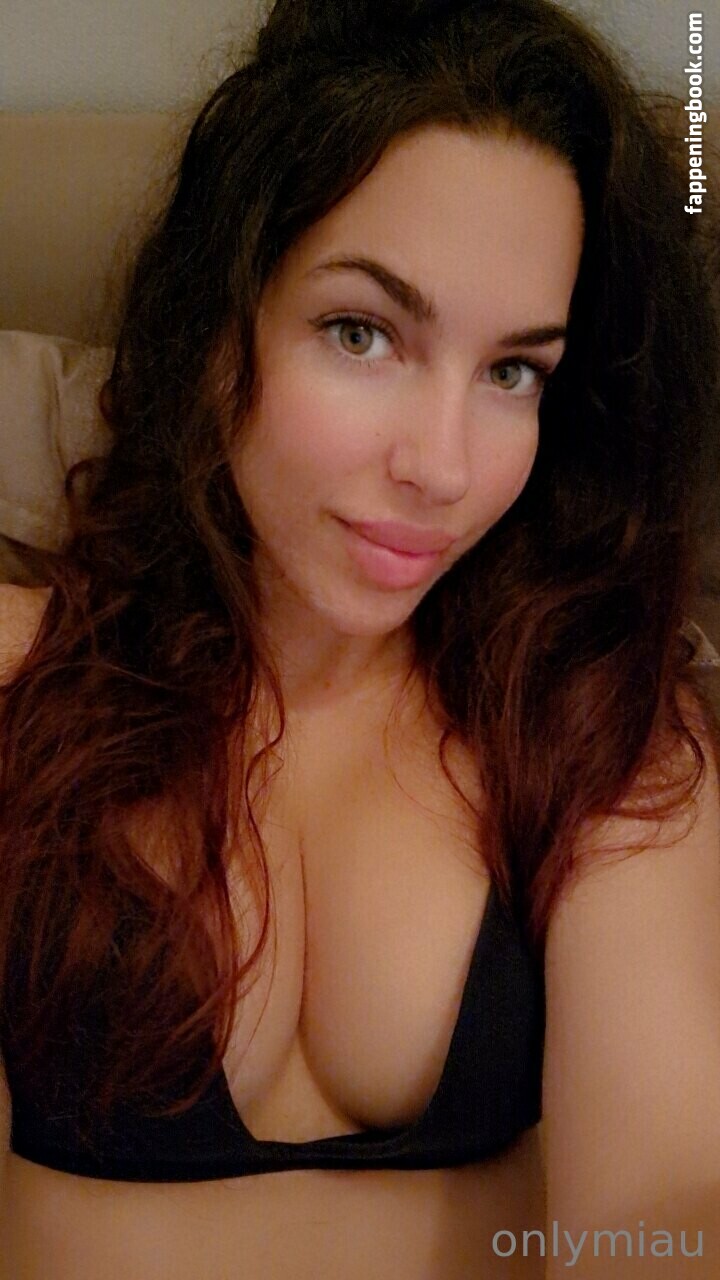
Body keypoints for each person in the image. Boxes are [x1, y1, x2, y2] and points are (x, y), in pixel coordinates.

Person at [1, 0, 720, 1276]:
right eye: (363, 333)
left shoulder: (596, 723)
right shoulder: (19, 679)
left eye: (513, 371)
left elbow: (668, 1201)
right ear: (219, 326)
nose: (442, 467)